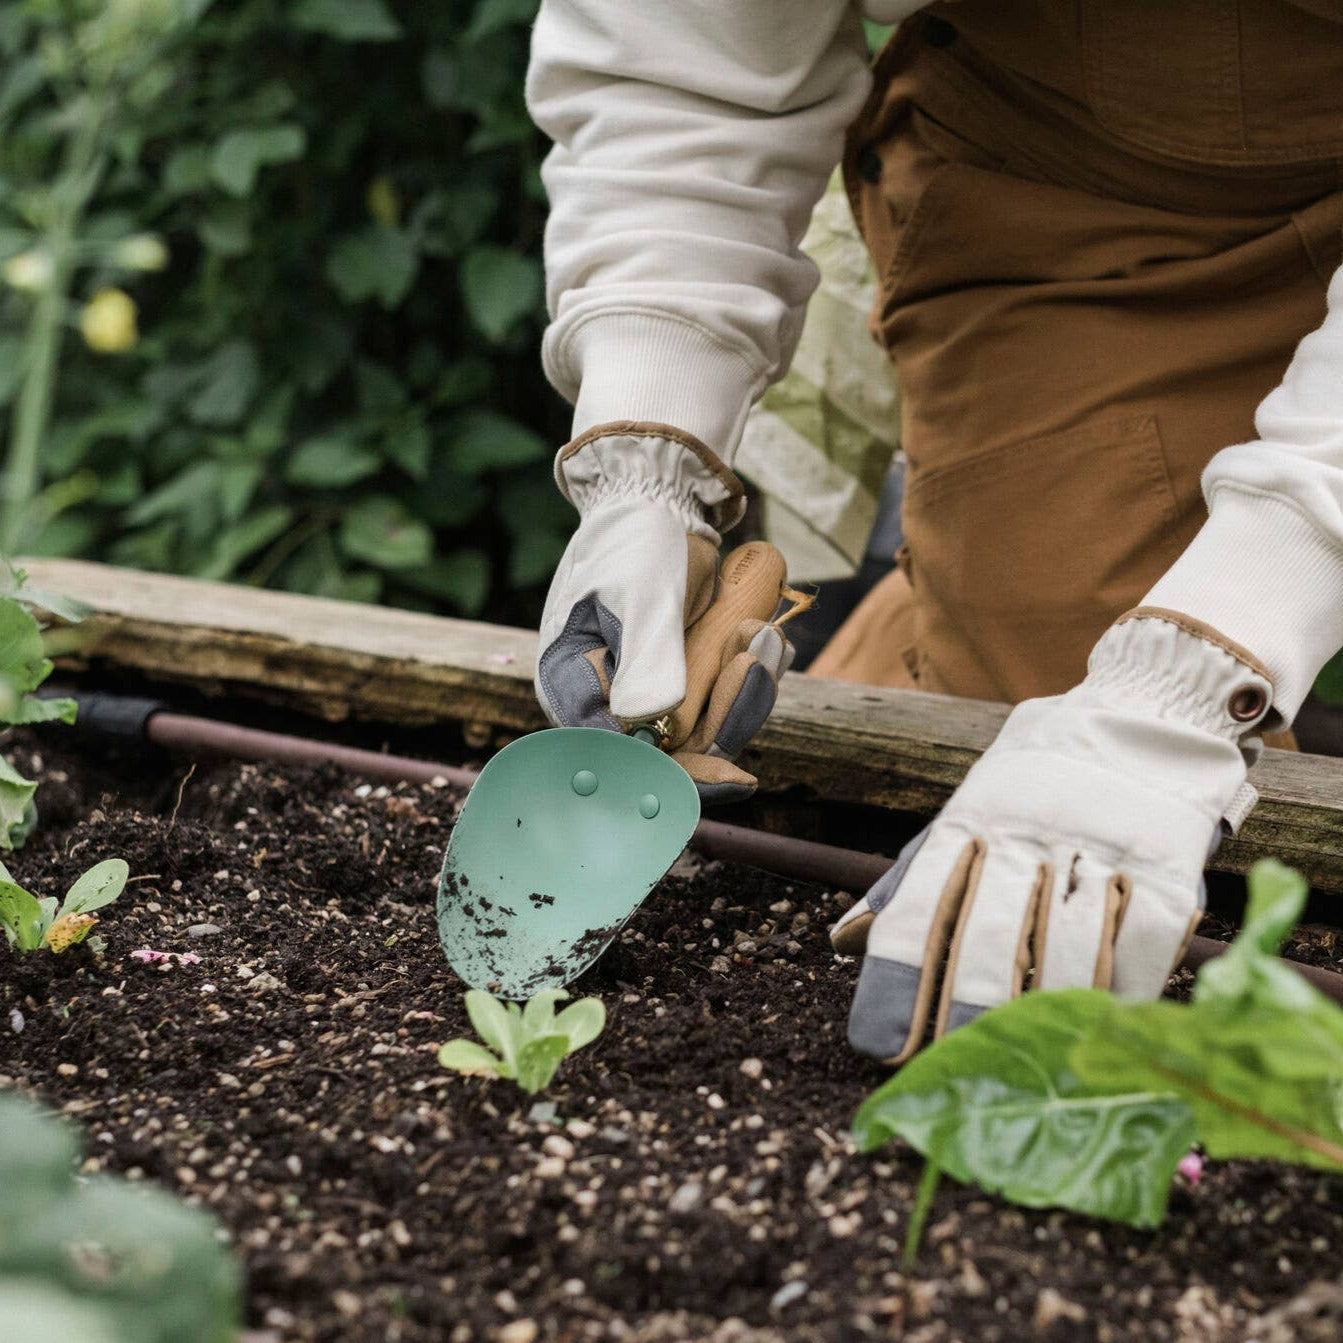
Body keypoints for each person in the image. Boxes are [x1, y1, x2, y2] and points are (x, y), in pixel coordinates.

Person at [524, 1, 1343, 1064]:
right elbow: (684, 59)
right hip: (1088, 179)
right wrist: (645, 454)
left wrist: (1190, 675)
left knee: (1135, 762)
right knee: (1038, 686)